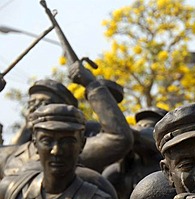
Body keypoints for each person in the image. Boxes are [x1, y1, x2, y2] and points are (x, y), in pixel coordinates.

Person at [0, 62, 133, 178]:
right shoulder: (11, 155)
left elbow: (118, 138)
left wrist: (91, 84)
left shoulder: (71, 152)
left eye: (43, 103)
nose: (35, 108)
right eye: (31, 103)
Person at [102, 107, 167, 199]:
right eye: (139, 125)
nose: (140, 128)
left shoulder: (169, 171)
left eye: (148, 127)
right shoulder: (118, 172)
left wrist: (132, 132)